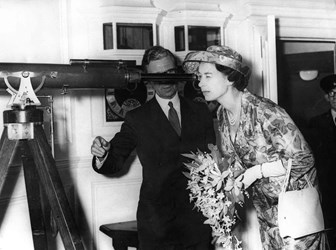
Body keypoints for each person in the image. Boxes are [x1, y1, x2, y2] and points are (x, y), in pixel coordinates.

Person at [182, 45, 325, 249]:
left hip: (296, 217)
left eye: (207, 76)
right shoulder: (223, 115)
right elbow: (238, 163)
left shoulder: (265, 111)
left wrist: (258, 171)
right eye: (199, 77)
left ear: (230, 77)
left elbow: (304, 159)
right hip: (267, 215)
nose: (200, 83)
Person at [91, 45, 216, 250]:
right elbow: (114, 162)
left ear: (177, 72)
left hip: (197, 222)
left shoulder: (200, 111)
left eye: (169, 73)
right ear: (147, 79)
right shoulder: (137, 119)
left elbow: (213, 163)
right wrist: (103, 154)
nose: (165, 81)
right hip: (157, 226)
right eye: (157, 75)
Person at [308, 74, 336, 249]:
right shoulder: (316, 123)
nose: (335, 97)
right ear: (326, 97)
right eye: (331, 93)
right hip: (329, 191)